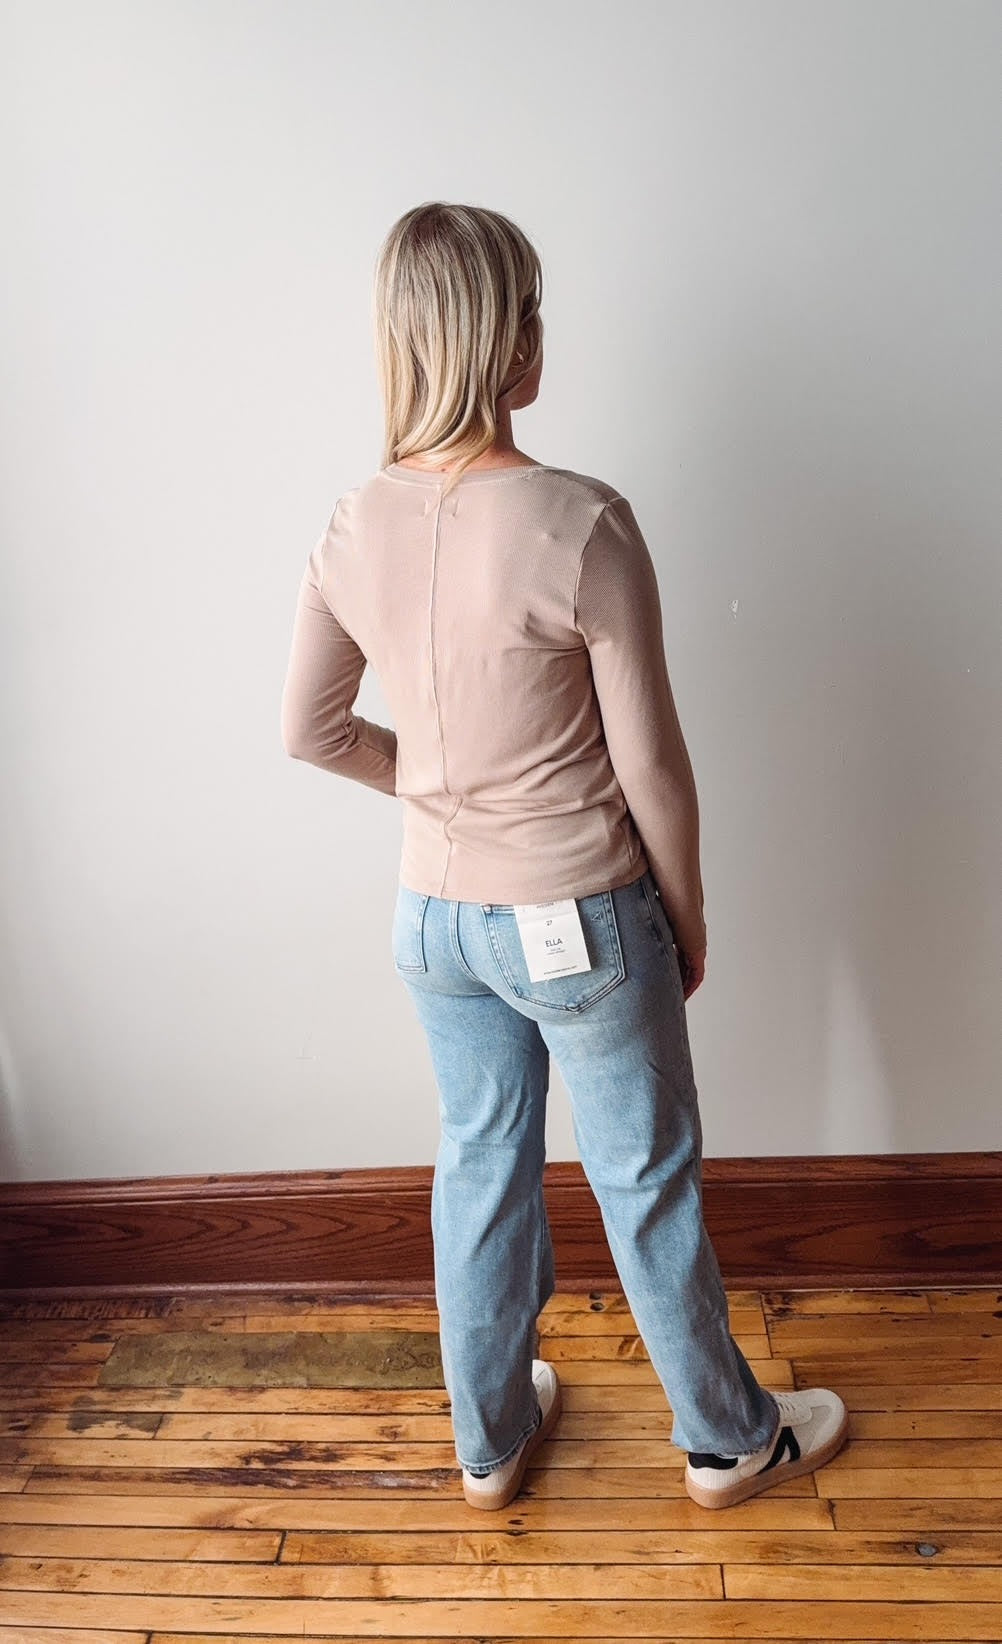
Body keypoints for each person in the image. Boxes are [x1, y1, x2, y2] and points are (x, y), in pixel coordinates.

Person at [280, 200, 849, 1512]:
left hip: (433, 918)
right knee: (642, 1179)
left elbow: (308, 730)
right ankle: (726, 1441)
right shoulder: (577, 522)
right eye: (529, 312)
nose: (541, 334)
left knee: (481, 1161)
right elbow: (648, 761)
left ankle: (487, 1445)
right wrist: (685, 912)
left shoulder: (349, 523)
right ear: (504, 345)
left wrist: (428, 785)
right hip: (581, 915)